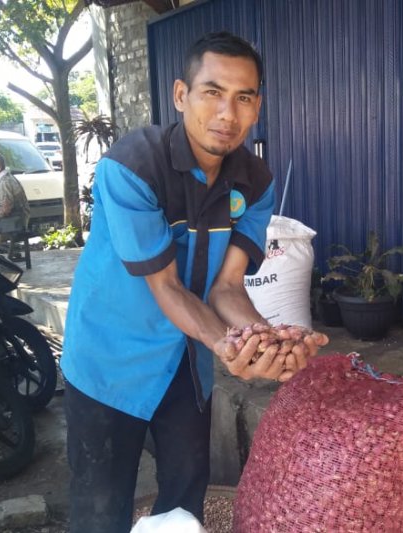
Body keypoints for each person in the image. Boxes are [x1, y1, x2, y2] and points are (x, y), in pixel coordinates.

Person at [60, 31, 328, 533]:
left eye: (243, 97)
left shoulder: (255, 181)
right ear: (182, 95)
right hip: (108, 359)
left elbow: (226, 287)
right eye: (212, 92)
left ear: (257, 106)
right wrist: (232, 346)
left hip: (184, 362)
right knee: (100, 508)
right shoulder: (133, 167)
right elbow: (168, 287)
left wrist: (268, 341)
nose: (227, 113)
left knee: (185, 495)